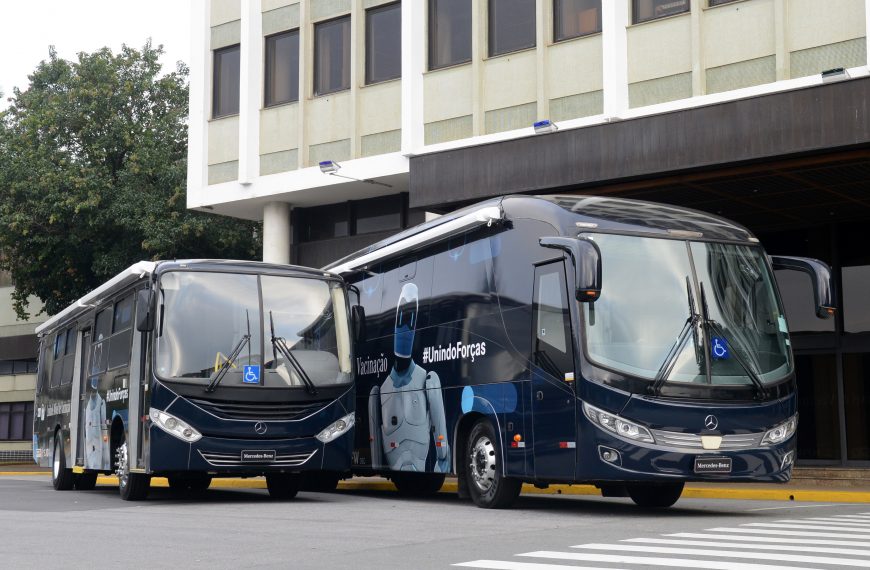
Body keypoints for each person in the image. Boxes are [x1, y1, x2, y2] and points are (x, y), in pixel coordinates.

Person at [369, 283, 449, 472]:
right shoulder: (381, 391)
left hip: (420, 459)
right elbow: (375, 452)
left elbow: (438, 427)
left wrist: (442, 460)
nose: (405, 327)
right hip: (394, 460)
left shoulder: (426, 379)